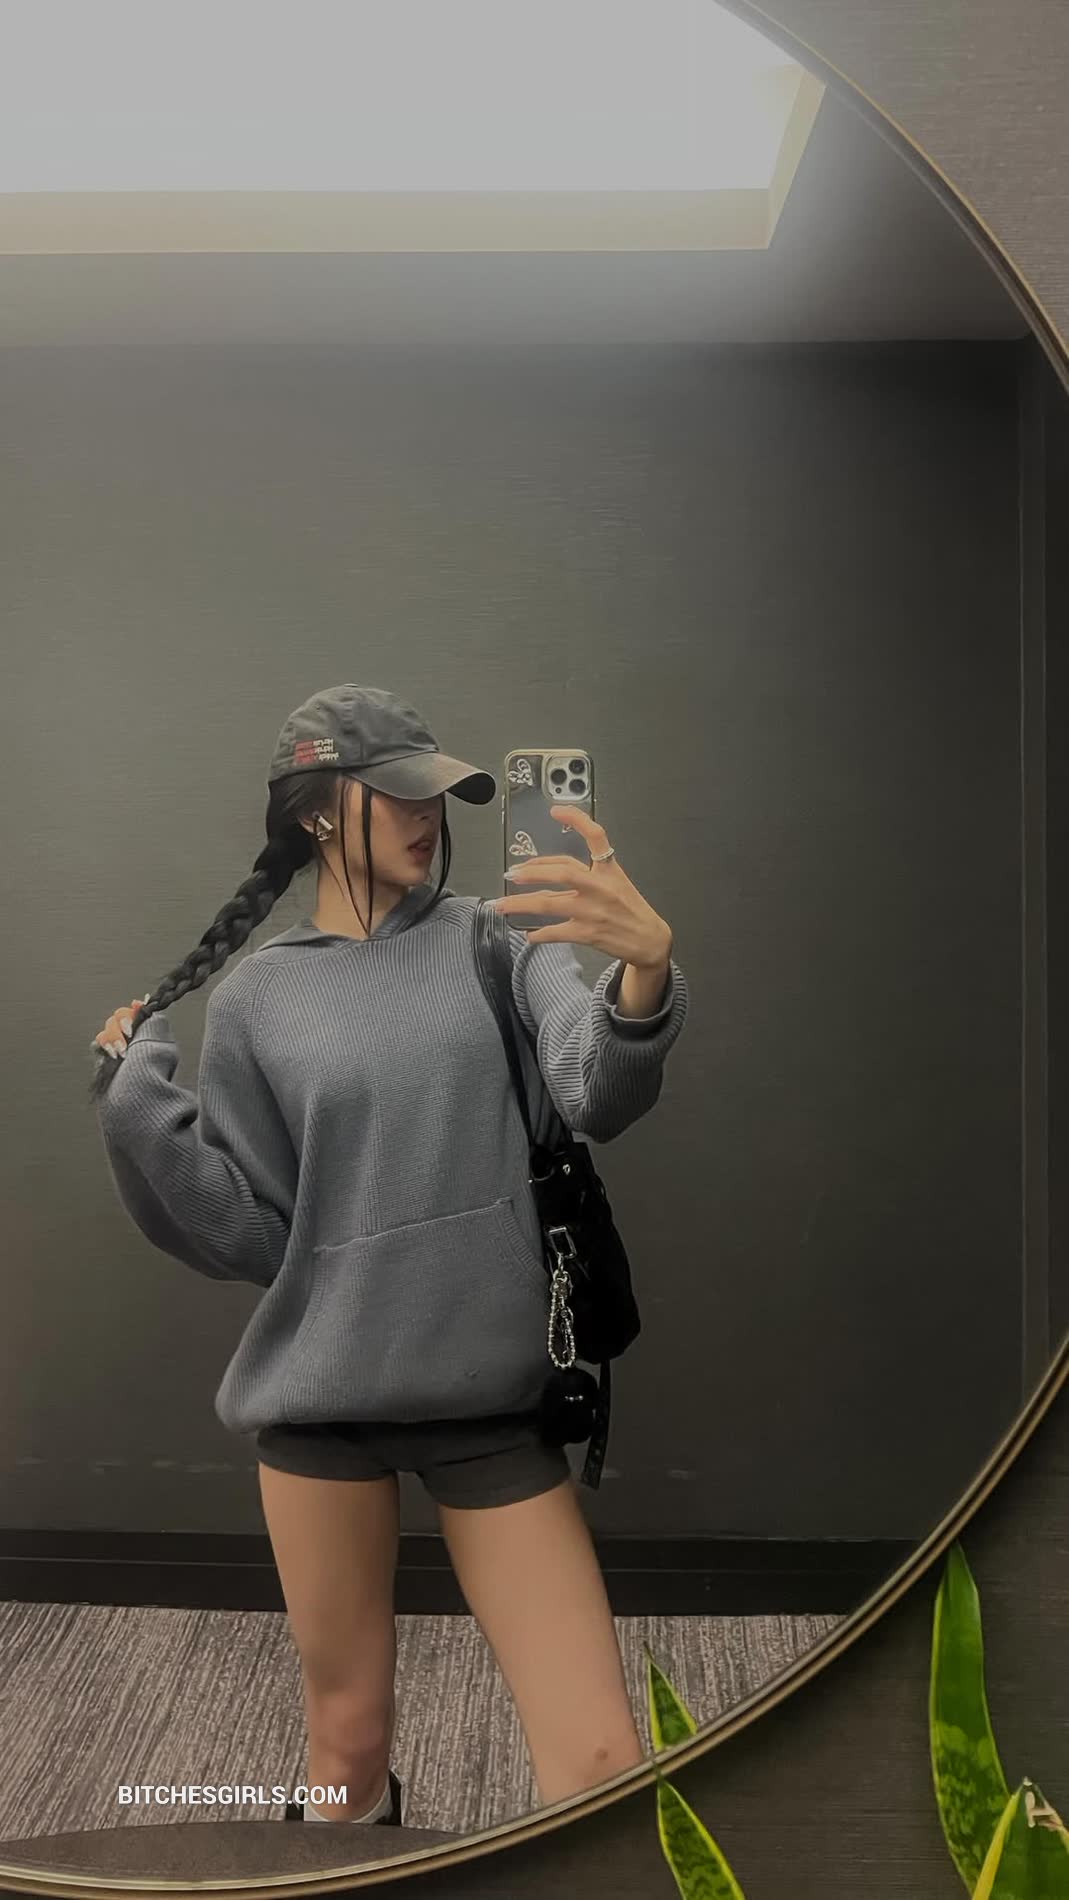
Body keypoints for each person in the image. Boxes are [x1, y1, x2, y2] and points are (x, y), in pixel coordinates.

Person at [91, 684, 688, 1829]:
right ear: (318, 809)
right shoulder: (259, 999)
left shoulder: (498, 940)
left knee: (601, 1757)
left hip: (488, 1404)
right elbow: (261, 1233)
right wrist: (138, 1115)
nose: (429, 815)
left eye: (439, 794)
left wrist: (644, 976)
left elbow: (595, 1089)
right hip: (323, 1408)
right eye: (399, 793)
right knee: (345, 1748)